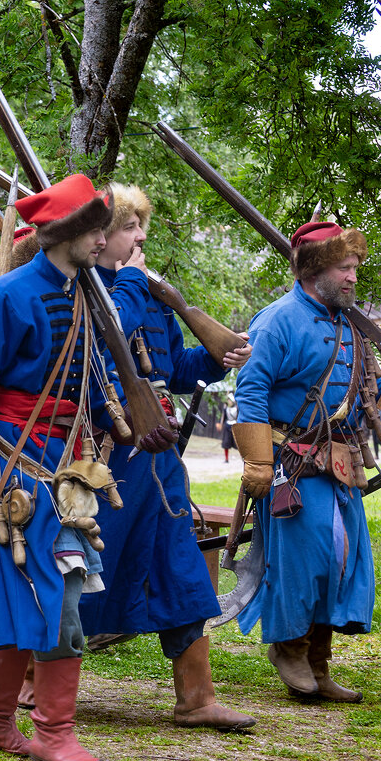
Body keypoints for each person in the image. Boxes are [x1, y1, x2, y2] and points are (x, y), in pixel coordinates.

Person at [0, 175, 175, 761]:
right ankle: (54, 733)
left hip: (72, 467)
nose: (105, 239)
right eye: (96, 229)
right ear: (67, 234)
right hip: (17, 470)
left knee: (46, 595)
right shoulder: (8, 297)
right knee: (53, 600)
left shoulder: (89, 293)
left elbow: (104, 372)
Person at [78, 183, 255, 731]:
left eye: (140, 227)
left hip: (156, 459)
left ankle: (196, 698)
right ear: (100, 235)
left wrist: (220, 356)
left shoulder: (148, 294)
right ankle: (39, 682)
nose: (141, 237)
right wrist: (131, 282)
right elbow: (103, 344)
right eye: (131, 227)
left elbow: (174, 367)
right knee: (78, 568)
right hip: (97, 461)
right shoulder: (78, 289)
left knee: (180, 567)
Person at [233, 221, 381, 702]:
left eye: (355, 268)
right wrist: (259, 464)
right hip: (293, 465)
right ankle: (289, 650)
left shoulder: (351, 326)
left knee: (342, 562)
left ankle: (319, 665)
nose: (352, 277)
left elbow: (374, 389)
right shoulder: (277, 319)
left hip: (341, 464)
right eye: (345, 267)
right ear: (315, 269)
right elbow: (252, 388)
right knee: (306, 563)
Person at [219, 395, 238, 463]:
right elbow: (224, 418)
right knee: (226, 443)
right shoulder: (226, 408)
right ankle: (226, 459)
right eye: (228, 400)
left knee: (238, 443)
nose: (229, 401)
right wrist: (221, 425)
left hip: (235, 426)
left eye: (229, 400)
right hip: (227, 426)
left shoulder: (236, 408)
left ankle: (243, 458)